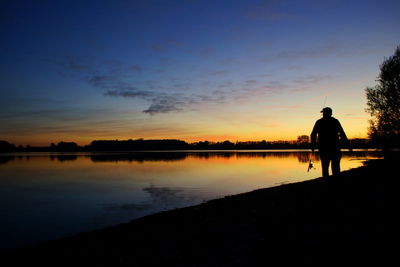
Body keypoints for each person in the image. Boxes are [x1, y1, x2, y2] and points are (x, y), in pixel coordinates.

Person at [310, 107, 352, 177]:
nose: (323, 114)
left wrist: (313, 146)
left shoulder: (319, 122)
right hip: (334, 147)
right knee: (335, 167)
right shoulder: (335, 121)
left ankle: (327, 183)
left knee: (325, 167)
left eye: (324, 113)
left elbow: (313, 134)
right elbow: (342, 133)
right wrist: (348, 144)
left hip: (324, 148)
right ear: (331, 113)